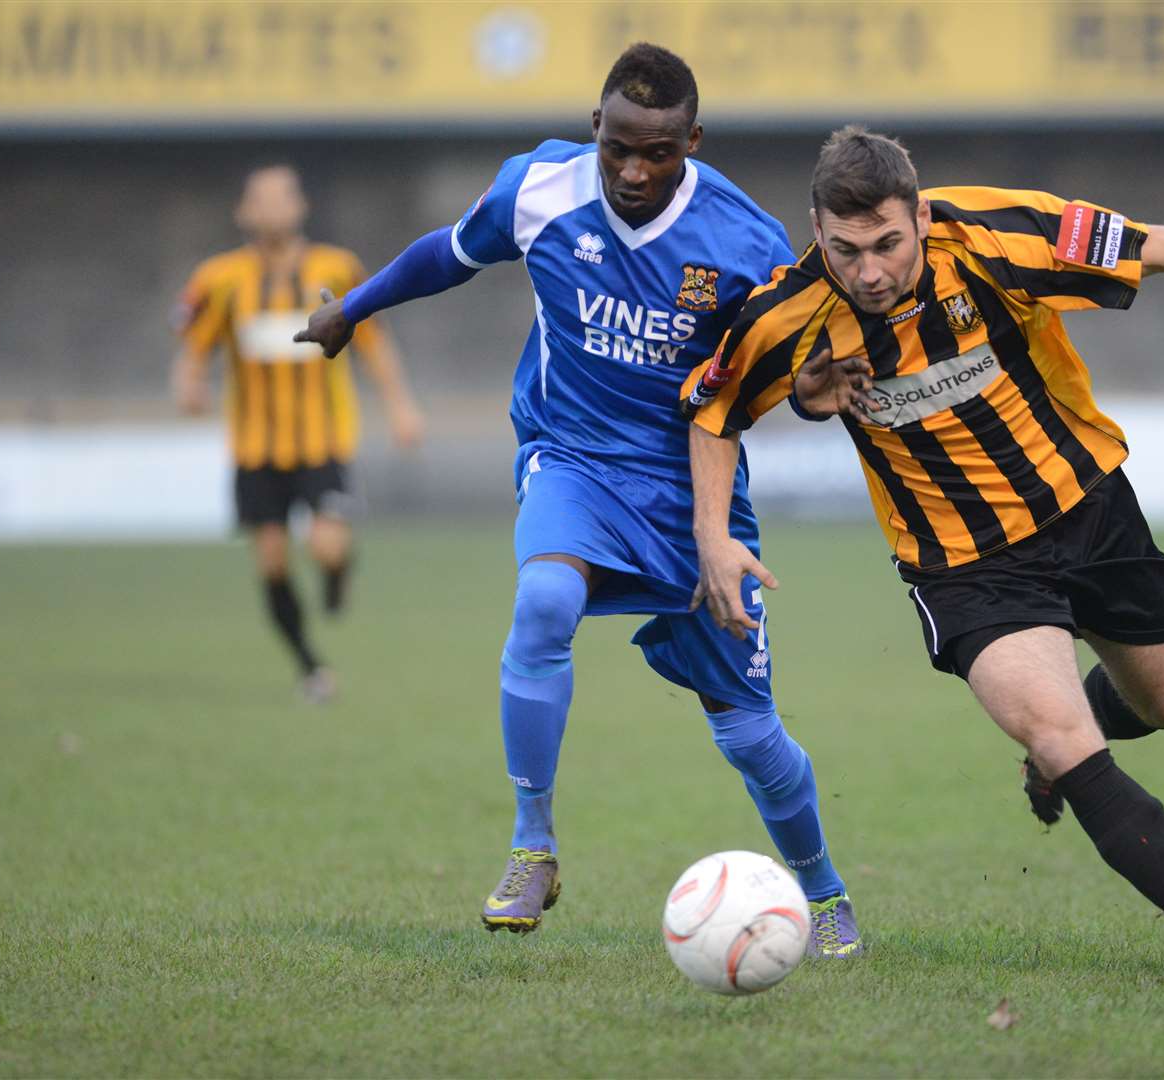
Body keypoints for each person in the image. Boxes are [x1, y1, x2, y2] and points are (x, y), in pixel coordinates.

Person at [683, 127, 1164, 986]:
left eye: (889, 243)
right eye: (845, 249)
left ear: (922, 215)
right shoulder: (790, 312)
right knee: (1060, 732)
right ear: (817, 231)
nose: (869, 271)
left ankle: (1059, 767)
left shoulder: (1003, 233)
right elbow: (716, 409)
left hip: (1088, 510)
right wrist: (716, 536)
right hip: (964, 565)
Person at [293, 45, 860, 954]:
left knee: (751, 733)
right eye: (620, 148)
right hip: (572, 459)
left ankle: (827, 898)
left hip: (690, 495)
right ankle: (533, 845)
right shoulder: (540, 189)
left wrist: (809, 391)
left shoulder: (748, 242)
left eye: (660, 153)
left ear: (694, 141)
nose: (635, 171)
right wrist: (351, 309)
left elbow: (778, 376)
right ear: (596, 127)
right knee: (544, 600)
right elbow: (450, 252)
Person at [172, 164, 424, 703]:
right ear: (243, 211)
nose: (270, 208)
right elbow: (194, 349)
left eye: (281, 197)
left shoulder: (336, 267)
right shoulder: (219, 279)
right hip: (254, 448)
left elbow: (375, 341)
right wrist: (188, 385)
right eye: (259, 199)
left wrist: (401, 406)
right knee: (271, 560)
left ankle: (337, 577)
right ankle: (311, 667)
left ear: (300, 207)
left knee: (327, 546)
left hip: (323, 441)